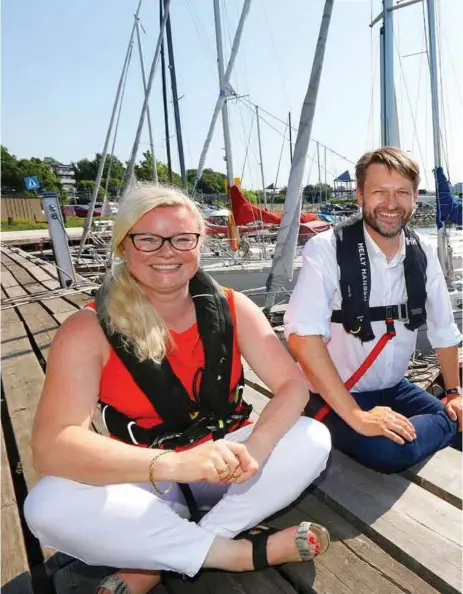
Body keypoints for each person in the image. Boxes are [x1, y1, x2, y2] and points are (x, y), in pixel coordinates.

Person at [24, 184, 332, 594]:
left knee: (314, 436)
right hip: (152, 479)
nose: (166, 251)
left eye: (182, 238)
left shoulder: (234, 306)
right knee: (46, 506)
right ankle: (233, 554)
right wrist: (173, 465)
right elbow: (52, 447)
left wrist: (256, 449)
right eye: (148, 239)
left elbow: (292, 385)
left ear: (199, 244)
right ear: (123, 246)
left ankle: (170, 553)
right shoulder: (86, 330)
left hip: (234, 469)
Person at [285, 147, 462, 474]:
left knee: (457, 416)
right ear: (360, 195)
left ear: (413, 197)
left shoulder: (421, 251)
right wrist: (356, 416)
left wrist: (453, 393)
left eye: (402, 193)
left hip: (395, 387)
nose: (391, 203)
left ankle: (441, 422)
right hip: (337, 394)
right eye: (379, 191)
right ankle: (438, 425)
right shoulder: (327, 248)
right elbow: (302, 336)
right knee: (390, 452)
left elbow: (443, 328)